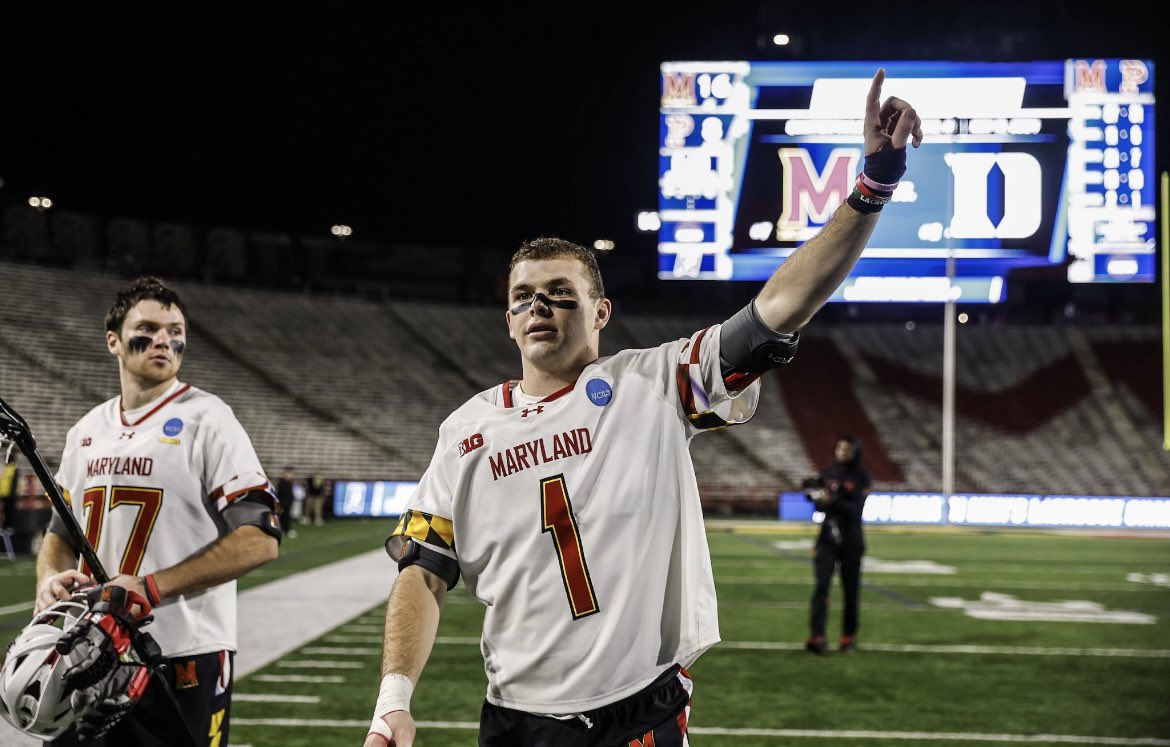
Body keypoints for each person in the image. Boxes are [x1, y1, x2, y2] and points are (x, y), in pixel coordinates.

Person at [364, 69, 920, 747]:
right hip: (515, 720)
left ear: (601, 312)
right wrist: (393, 698)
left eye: (561, 291)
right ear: (507, 319)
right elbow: (422, 569)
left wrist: (871, 189)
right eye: (524, 295)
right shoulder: (466, 430)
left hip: (640, 713)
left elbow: (777, 308)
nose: (539, 305)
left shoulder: (654, 384)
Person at [31, 275, 283, 746]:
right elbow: (59, 535)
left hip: (181, 652)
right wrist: (50, 579)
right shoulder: (85, 431)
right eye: (149, 328)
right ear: (114, 341)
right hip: (90, 650)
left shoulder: (209, 419)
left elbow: (261, 538)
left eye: (175, 329)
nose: (165, 339)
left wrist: (151, 587)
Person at [802, 434, 872, 655]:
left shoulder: (862, 477)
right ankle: (817, 636)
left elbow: (856, 510)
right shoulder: (828, 473)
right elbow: (819, 506)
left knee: (851, 593)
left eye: (847, 449)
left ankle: (848, 636)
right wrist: (815, 497)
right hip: (827, 540)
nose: (842, 452)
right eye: (840, 448)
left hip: (852, 541)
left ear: (855, 452)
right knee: (821, 588)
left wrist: (833, 499)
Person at [275, 466, 298, 539]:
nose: (292, 475)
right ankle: (284, 531)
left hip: (288, 503)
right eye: (291, 473)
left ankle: (287, 530)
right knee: (283, 517)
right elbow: (280, 494)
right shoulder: (282, 482)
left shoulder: (288, 482)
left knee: (287, 517)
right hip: (284, 503)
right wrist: (284, 502)